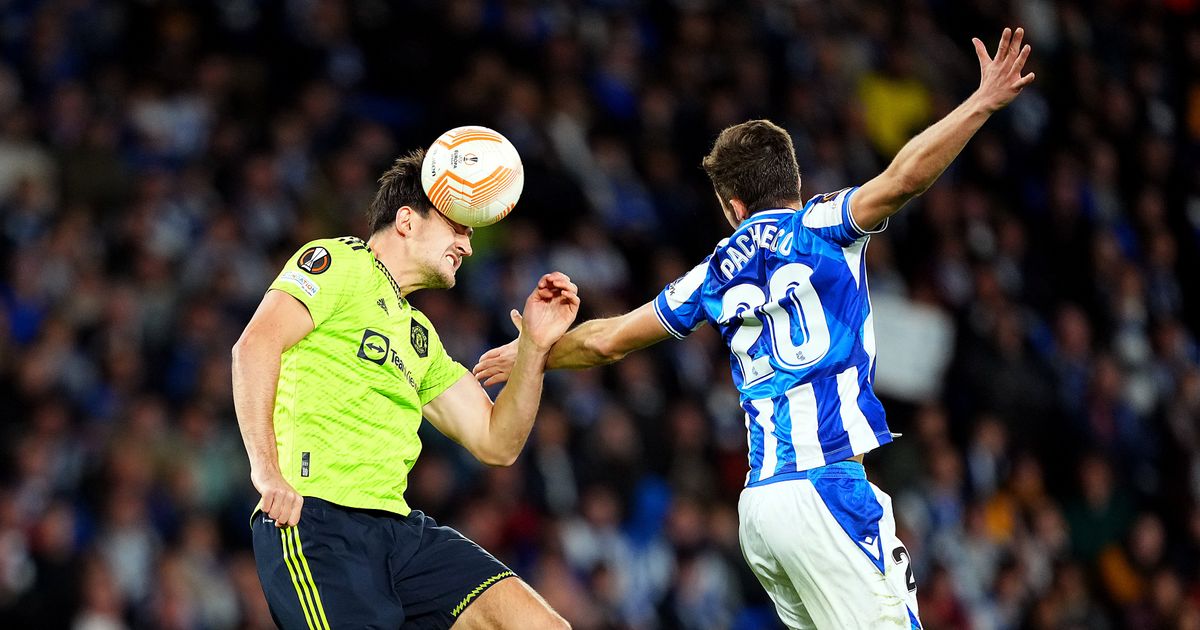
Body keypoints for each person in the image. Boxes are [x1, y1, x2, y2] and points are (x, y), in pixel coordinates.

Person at [473, 27, 1035, 629]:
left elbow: (607, 340)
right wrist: (981, 102)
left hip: (761, 508)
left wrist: (534, 352)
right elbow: (903, 180)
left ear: (732, 203)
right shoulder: (822, 224)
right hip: (828, 488)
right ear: (792, 181)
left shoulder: (714, 269)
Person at [232, 148, 577, 629]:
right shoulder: (338, 261)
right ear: (407, 220)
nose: (468, 246)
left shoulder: (420, 336)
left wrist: (535, 349)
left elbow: (497, 442)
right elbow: (253, 347)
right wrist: (268, 473)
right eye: (458, 227)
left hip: (399, 533)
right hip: (317, 523)